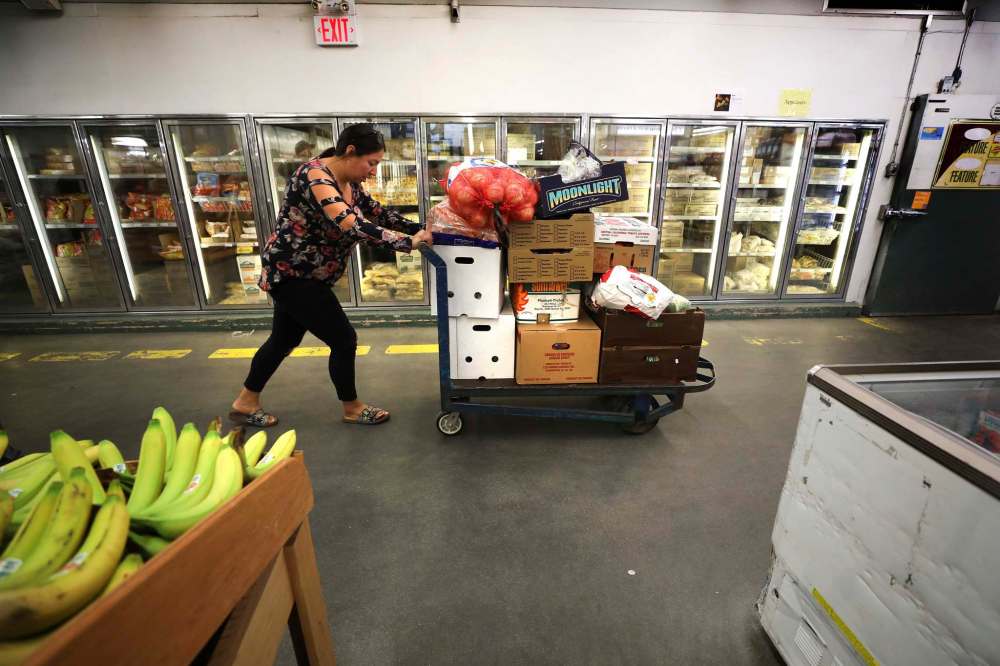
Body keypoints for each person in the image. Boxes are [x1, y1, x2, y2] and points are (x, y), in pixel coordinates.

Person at [230, 124, 433, 427]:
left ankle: (245, 402)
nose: (373, 171)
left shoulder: (349, 182)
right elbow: (349, 223)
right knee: (343, 339)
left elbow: (378, 213)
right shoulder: (315, 176)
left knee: (283, 340)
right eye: (371, 163)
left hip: (309, 275)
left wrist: (419, 228)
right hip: (294, 273)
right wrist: (405, 243)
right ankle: (351, 407)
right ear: (351, 151)